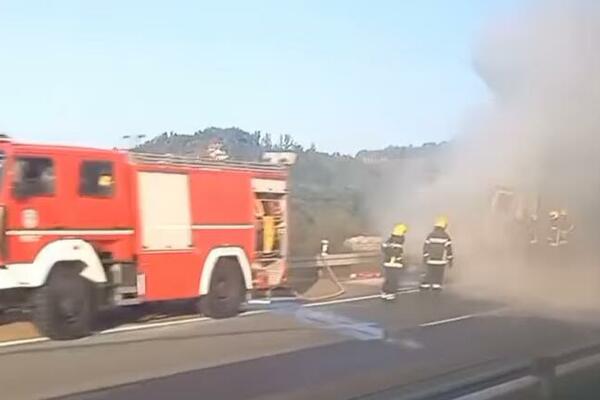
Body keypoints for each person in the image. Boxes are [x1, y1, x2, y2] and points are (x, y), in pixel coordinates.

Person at [421, 216, 453, 290]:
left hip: (430, 260)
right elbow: (449, 250)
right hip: (441, 262)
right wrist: (450, 260)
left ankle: (425, 285)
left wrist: (425, 257)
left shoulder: (430, 235)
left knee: (429, 274)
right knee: (438, 277)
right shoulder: (446, 236)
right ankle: (436, 287)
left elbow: (425, 247)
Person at [381, 223, 407, 300]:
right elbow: (397, 253)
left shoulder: (389, 240)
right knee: (393, 279)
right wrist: (400, 261)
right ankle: (390, 293)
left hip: (387, 262)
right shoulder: (398, 241)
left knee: (388, 278)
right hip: (394, 263)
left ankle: (384, 292)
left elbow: (384, 248)